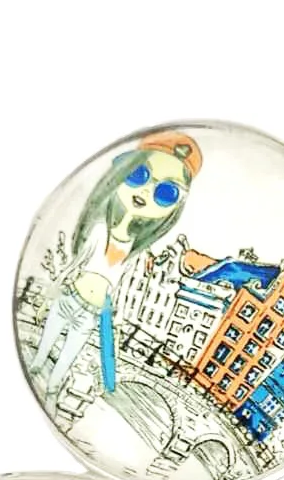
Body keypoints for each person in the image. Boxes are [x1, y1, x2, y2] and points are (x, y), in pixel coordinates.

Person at [28, 131, 203, 395]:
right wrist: (48, 298)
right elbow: (74, 267)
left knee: (67, 359)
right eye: (139, 174)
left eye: (166, 192)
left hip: (91, 313)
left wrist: (116, 322)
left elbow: (118, 289)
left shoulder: (135, 251)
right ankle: (38, 378)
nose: (146, 191)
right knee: (42, 350)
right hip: (70, 298)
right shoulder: (99, 230)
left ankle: (52, 391)